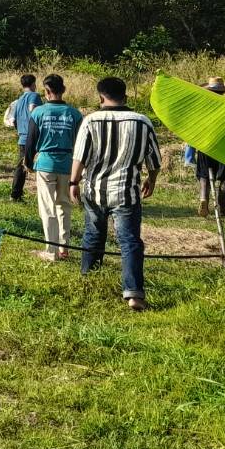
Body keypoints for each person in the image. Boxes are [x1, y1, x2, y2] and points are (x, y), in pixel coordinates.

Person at [70, 76, 162, 312]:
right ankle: (134, 295)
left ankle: (88, 279)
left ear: (101, 97)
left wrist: (73, 182)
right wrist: (151, 180)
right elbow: (154, 160)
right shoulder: (142, 121)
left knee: (93, 235)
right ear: (126, 96)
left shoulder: (91, 120)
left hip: (94, 190)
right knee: (130, 241)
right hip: (126, 191)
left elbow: (80, 156)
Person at [24, 74, 84, 261]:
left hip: (46, 164)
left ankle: (51, 251)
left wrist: (27, 162)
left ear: (46, 91)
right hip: (68, 164)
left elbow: (30, 140)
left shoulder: (38, 112)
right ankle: (64, 248)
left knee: (48, 207)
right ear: (63, 90)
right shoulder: (75, 114)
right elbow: (81, 143)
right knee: (64, 205)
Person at [194, 77, 225, 218]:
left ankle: (203, 199)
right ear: (223, 91)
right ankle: (222, 209)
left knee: (204, 176)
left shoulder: (202, 107)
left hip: (205, 144)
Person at [6, 74, 41, 202]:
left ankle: (15, 195)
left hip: (22, 137)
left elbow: (13, 119)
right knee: (39, 165)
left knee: (21, 166)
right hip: (33, 137)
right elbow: (33, 109)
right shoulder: (34, 96)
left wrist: (21, 131)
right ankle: (42, 195)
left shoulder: (19, 100)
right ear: (33, 84)